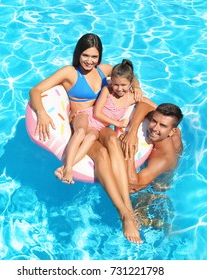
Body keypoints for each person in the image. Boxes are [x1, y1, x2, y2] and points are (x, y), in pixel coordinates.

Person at [29, 33, 144, 243]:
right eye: (85, 55)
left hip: (102, 123)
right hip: (84, 121)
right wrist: (42, 112)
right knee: (100, 154)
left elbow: (128, 74)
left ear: (99, 57)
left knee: (112, 144)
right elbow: (35, 90)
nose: (89, 61)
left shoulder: (104, 70)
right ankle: (124, 213)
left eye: (94, 56)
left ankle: (128, 205)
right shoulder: (69, 73)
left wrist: (136, 86)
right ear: (78, 53)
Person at [55, 59, 156, 184]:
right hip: (87, 116)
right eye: (116, 84)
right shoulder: (107, 90)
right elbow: (97, 113)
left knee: (91, 137)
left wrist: (138, 89)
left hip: (97, 128)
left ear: (130, 83)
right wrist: (117, 123)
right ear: (111, 82)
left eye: (123, 85)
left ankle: (64, 168)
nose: (119, 89)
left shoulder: (131, 97)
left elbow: (153, 106)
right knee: (80, 132)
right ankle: (69, 169)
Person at [120, 102, 183, 193]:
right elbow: (143, 105)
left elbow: (132, 187)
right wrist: (132, 133)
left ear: (172, 131)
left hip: (156, 187)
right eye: (154, 121)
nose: (155, 128)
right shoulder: (166, 126)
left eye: (163, 125)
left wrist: (129, 151)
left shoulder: (162, 160)